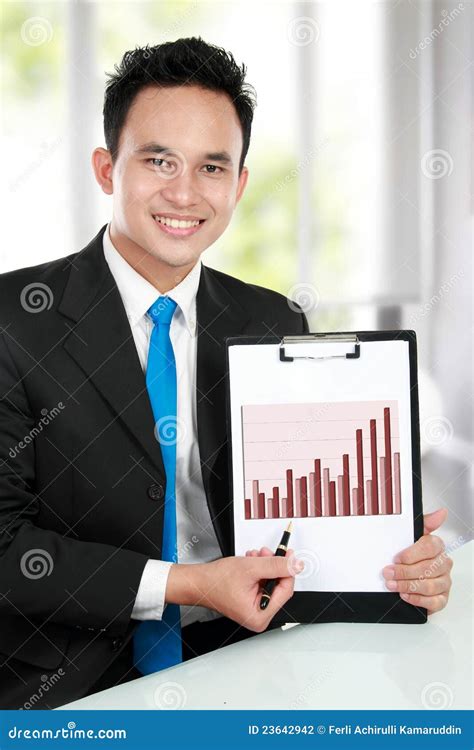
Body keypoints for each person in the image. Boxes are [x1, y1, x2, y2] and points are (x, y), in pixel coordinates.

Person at [0, 37, 453, 710]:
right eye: (159, 160)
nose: (185, 193)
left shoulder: (271, 321)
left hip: (252, 664)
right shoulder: (14, 320)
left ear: (238, 183)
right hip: (65, 684)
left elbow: (302, 518)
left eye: (212, 167)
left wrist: (392, 562)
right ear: (106, 168)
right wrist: (189, 583)